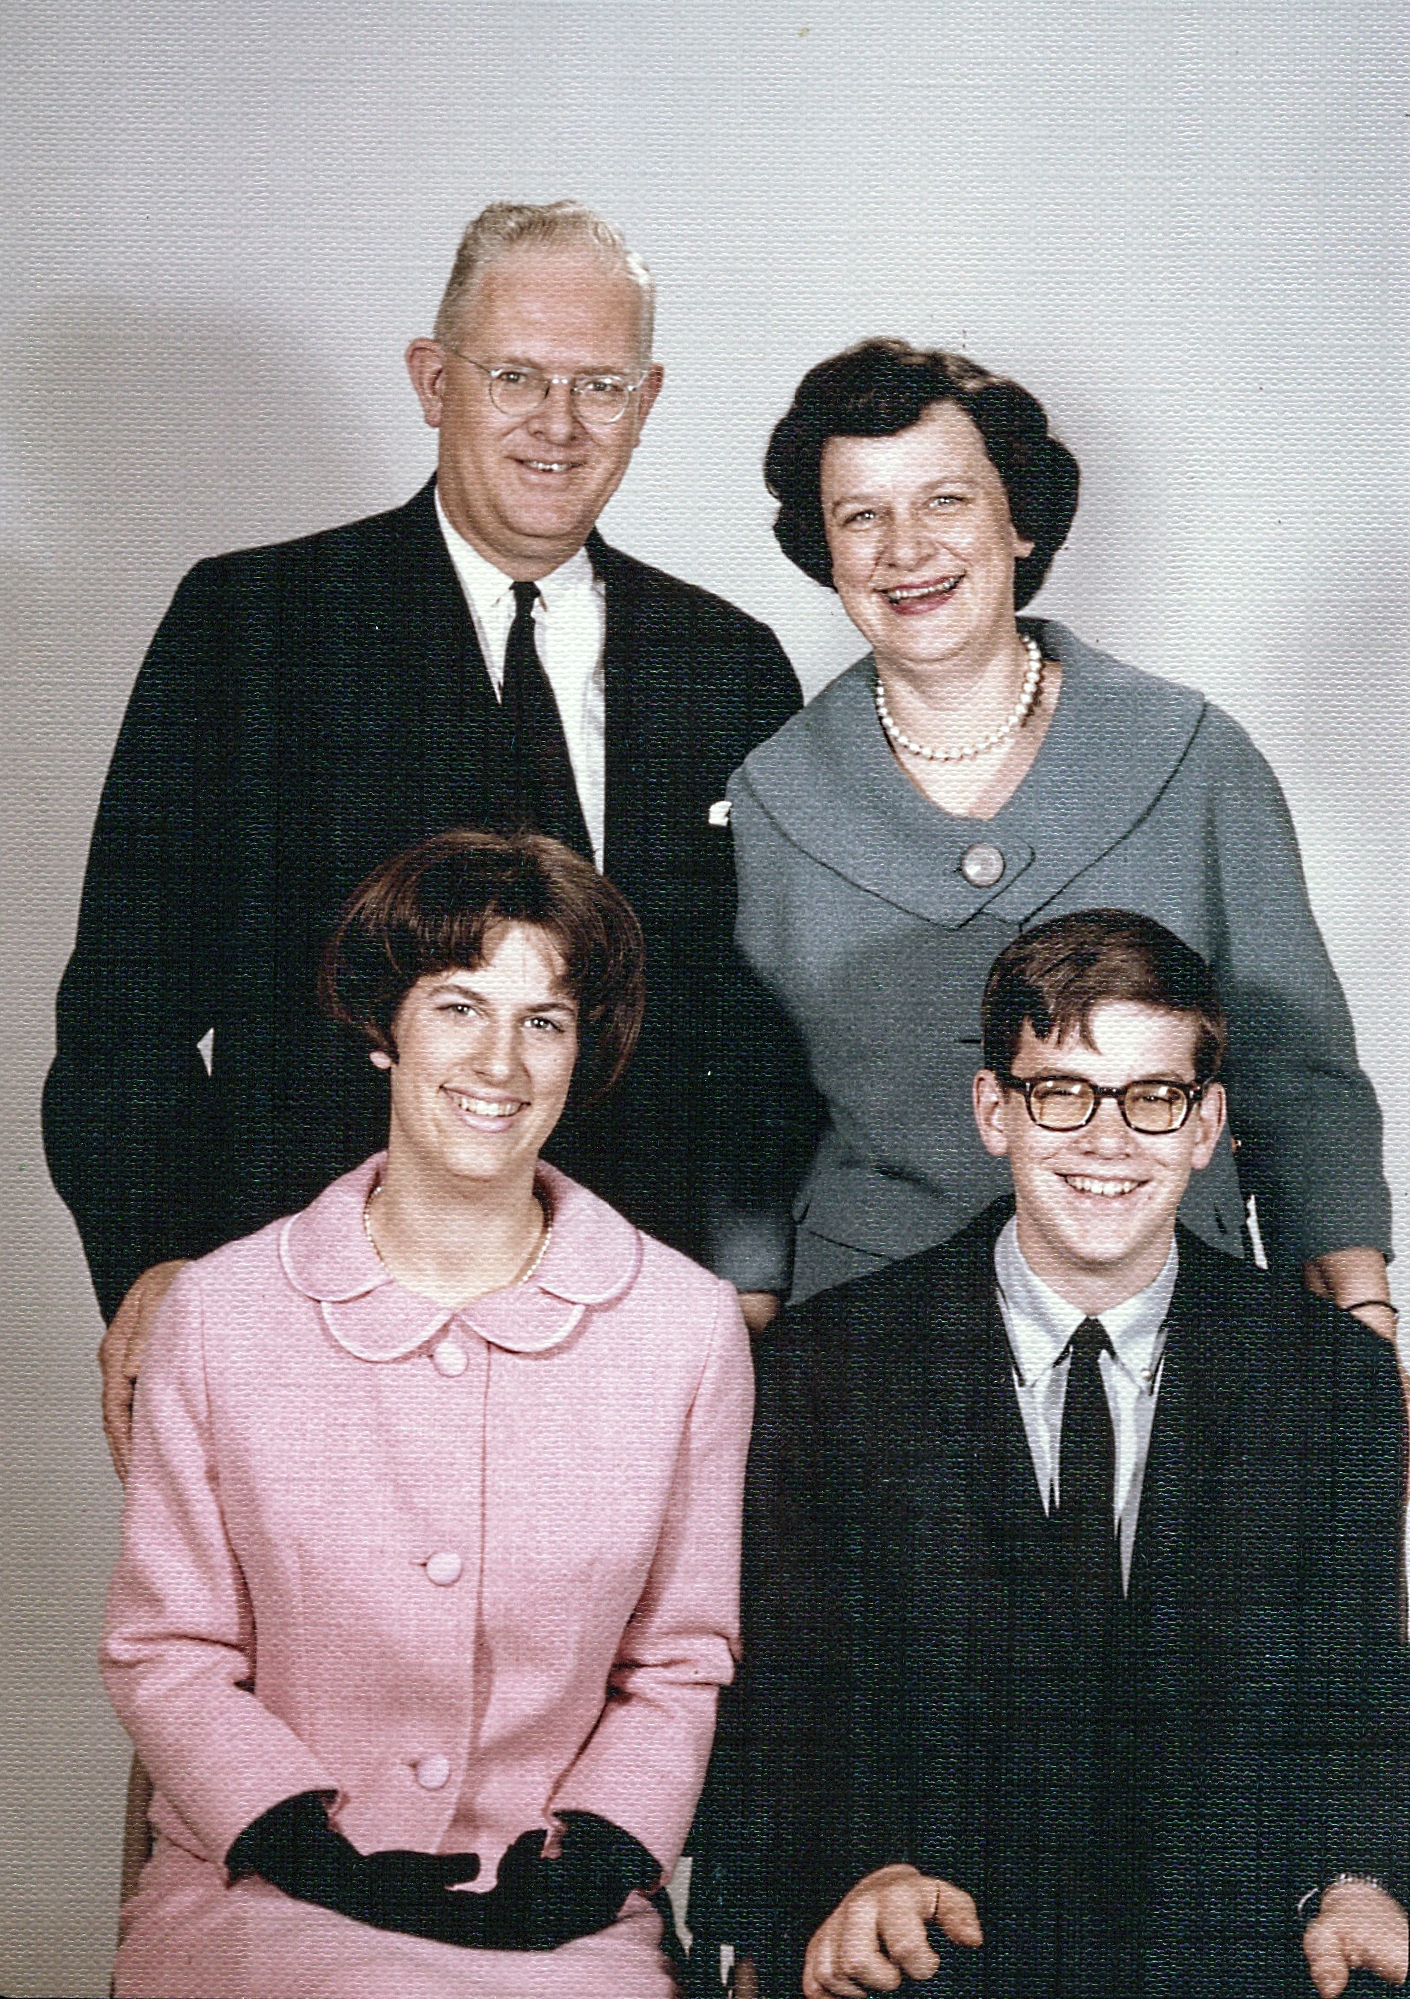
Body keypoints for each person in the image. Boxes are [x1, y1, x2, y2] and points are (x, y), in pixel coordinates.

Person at [43, 197, 808, 1480]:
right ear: (432, 379)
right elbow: (125, 1009)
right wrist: (158, 1257)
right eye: (516, 377)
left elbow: (760, 1025)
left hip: (635, 1332)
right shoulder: (255, 626)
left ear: (650, 397)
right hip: (313, 1313)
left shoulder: (727, 665)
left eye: (599, 387)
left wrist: (738, 1271)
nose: (558, 428)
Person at [687, 910, 1408, 1999]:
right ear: (995, 1109)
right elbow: (787, 1694)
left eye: (1154, 1097)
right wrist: (831, 1887)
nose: (1108, 1142)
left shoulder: (1330, 1379)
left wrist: (1357, 1877)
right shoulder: (829, 1367)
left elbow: (1353, 1683)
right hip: (932, 1931)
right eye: (1063, 1091)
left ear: (1208, 1124)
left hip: (1227, 1945)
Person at [102, 828, 754, 1999]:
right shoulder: (218, 1312)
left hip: (559, 1920)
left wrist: (598, 1861)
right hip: (257, 1900)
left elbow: (679, 1657)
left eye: (544, 1020)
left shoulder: (687, 1328)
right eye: (459, 1007)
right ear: (382, 1028)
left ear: (580, 1051)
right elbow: (169, 1650)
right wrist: (299, 1843)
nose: (499, 1061)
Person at [727, 339, 1394, 1327]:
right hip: (871, 1341)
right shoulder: (769, 797)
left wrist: (1361, 1305)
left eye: (945, 500)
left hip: (1177, 1318)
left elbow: (1296, 1069)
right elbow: (750, 1108)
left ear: (1021, 522)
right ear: (826, 553)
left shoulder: (1193, 754)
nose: (905, 549)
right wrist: (755, 1334)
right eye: (861, 515)